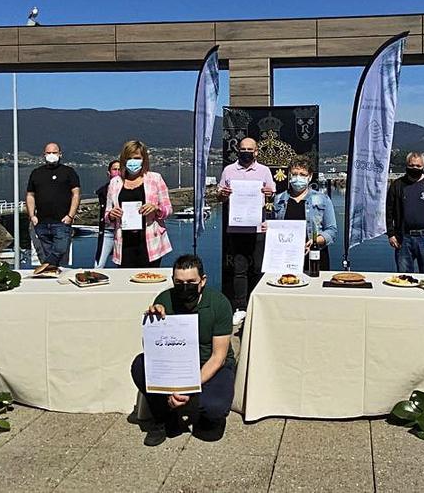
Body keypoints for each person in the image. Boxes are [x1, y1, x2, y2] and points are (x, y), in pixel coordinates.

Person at [131, 254, 235, 446]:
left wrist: (187, 386)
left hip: (210, 364)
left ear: (202, 281)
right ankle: (163, 416)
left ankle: (205, 414)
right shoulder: (164, 300)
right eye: (179, 282)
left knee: (214, 409)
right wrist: (153, 322)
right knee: (139, 364)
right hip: (176, 363)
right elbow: (154, 350)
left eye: (191, 282)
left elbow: (218, 357)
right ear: (172, 281)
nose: (184, 287)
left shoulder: (219, 303)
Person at [217, 137, 275, 323]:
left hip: (258, 228)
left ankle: (259, 305)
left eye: (250, 149)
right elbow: (220, 197)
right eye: (243, 148)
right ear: (238, 150)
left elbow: (272, 193)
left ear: (256, 151)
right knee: (239, 270)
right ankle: (240, 307)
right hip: (237, 228)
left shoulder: (264, 171)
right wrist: (222, 194)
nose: (246, 151)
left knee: (259, 269)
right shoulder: (229, 170)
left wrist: (269, 193)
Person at [105, 141, 172, 268]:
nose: (132, 161)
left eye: (136, 158)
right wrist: (112, 215)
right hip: (124, 242)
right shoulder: (115, 183)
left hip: (150, 242)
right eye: (129, 158)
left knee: (150, 279)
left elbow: (168, 210)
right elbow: (107, 216)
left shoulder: (155, 179)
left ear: (144, 159)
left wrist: (156, 208)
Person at [386, 152, 424, 274]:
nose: (415, 168)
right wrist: (391, 234)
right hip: (403, 238)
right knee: (403, 278)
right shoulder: (397, 185)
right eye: (412, 165)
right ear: (406, 166)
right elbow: (389, 211)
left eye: (418, 166)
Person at [271, 158, 337, 271]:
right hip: (286, 257)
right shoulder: (278, 199)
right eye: (294, 174)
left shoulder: (322, 199)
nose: (298, 178)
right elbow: (274, 228)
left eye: (302, 174)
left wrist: (315, 240)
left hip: (315, 256)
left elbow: (331, 231)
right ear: (289, 175)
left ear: (310, 176)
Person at [26, 142, 81, 271]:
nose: (51, 155)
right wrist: (32, 215)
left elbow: (76, 194)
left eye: (54, 152)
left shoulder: (69, 172)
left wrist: (70, 216)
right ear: (44, 155)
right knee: (46, 254)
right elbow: (30, 195)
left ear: (60, 154)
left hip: (62, 222)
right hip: (41, 222)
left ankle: (47, 266)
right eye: (48, 153)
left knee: (61, 249)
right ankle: (49, 273)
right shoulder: (36, 173)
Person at [95, 160, 121, 268]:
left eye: (120, 169)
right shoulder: (102, 191)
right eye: (115, 169)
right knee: (99, 264)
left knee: (122, 264)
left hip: (121, 231)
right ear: (109, 173)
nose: (118, 172)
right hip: (107, 231)